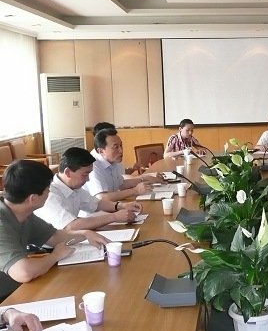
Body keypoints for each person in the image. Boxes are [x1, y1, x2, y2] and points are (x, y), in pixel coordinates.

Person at [0, 160, 108, 301]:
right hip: (6, 298)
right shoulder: (2, 223)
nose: (49, 192)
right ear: (33, 199)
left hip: (20, 287)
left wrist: (86, 234)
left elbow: (54, 236)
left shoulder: (22, 213)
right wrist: (55, 256)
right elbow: (24, 272)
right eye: (47, 189)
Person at [35, 147, 142, 229]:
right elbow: (71, 226)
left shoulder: (73, 187)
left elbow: (96, 204)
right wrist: (114, 217)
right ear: (68, 172)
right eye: (85, 175)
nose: (87, 179)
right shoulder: (49, 194)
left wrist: (122, 206)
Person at [83, 128, 163, 201]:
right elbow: (102, 197)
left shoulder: (112, 160)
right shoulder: (93, 166)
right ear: (101, 151)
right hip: (97, 211)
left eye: (121, 145)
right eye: (116, 147)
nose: (121, 150)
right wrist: (135, 190)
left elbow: (121, 184)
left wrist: (146, 179)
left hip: (111, 207)